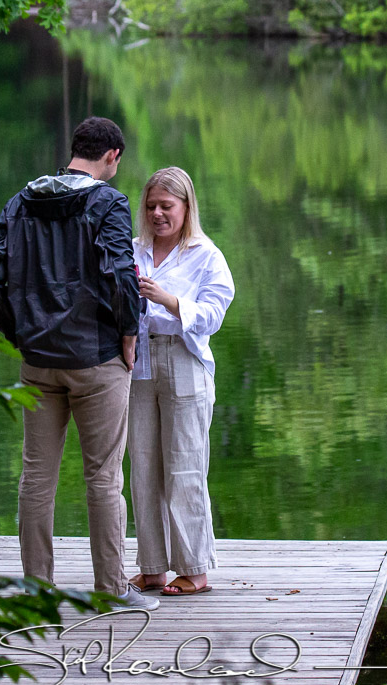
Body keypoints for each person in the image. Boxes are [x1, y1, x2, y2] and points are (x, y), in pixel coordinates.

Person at [0, 117, 158, 611]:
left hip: (39, 360)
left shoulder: (21, 201)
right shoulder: (107, 204)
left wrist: (22, 334)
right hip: (97, 359)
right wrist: (128, 335)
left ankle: (37, 589)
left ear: (74, 149)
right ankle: (112, 588)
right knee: (102, 477)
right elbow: (122, 276)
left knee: (36, 475)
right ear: (112, 157)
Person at [127, 167, 234, 597]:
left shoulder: (206, 255)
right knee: (143, 466)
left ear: (186, 208)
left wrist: (168, 300)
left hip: (184, 360)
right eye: (151, 206)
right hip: (138, 362)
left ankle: (194, 568)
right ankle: (152, 567)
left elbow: (212, 316)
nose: (157, 214)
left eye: (166, 206)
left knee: (186, 467)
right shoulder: (131, 249)